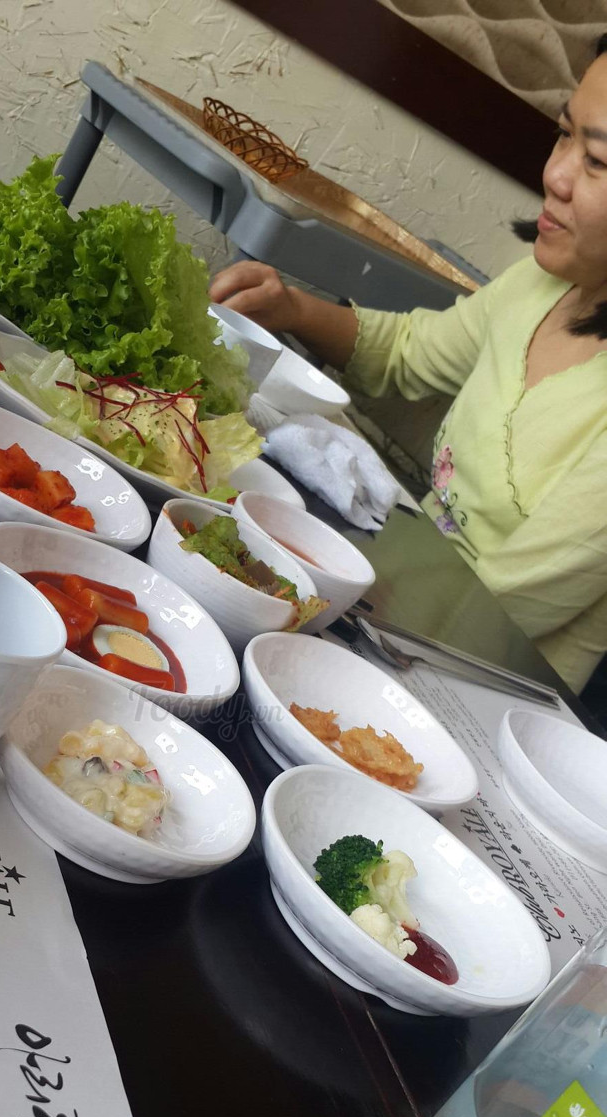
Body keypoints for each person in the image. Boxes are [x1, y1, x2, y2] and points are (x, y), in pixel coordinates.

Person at [209, 45, 607, 695]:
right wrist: (292, 308)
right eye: (564, 135)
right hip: (396, 606)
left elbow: (502, 607)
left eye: (597, 161)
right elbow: (407, 354)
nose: (555, 176)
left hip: (475, 681)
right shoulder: (541, 284)